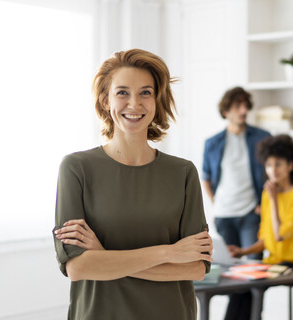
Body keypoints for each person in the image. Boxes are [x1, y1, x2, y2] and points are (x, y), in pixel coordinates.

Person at [52, 49, 213, 320]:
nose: (134, 104)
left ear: (157, 100)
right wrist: (168, 252)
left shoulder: (183, 173)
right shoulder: (77, 168)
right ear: (105, 101)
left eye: (146, 92)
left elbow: (195, 268)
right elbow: (78, 267)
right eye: (122, 92)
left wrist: (104, 257)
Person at [225, 134, 293, 320]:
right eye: (269, 165)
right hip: (272, 262)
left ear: (290, 165)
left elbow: (280, 235)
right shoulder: (268, 195)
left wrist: (273, 199)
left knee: (256, 284)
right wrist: (242, 251)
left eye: (278, 164)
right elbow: (266, 239)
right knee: (240, 285)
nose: (273, 170)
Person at [202, 87, 271, 259]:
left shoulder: (263, 138)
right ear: (226, 111)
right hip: (224, 215)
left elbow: (273, 174)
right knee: (229, 269)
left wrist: (265, 204)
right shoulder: (212, 143)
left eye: (246, 106)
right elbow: (206, 178)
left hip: (251, 214)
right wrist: (215, 202)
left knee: (254, 268)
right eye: (238, 106)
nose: (244, 110)